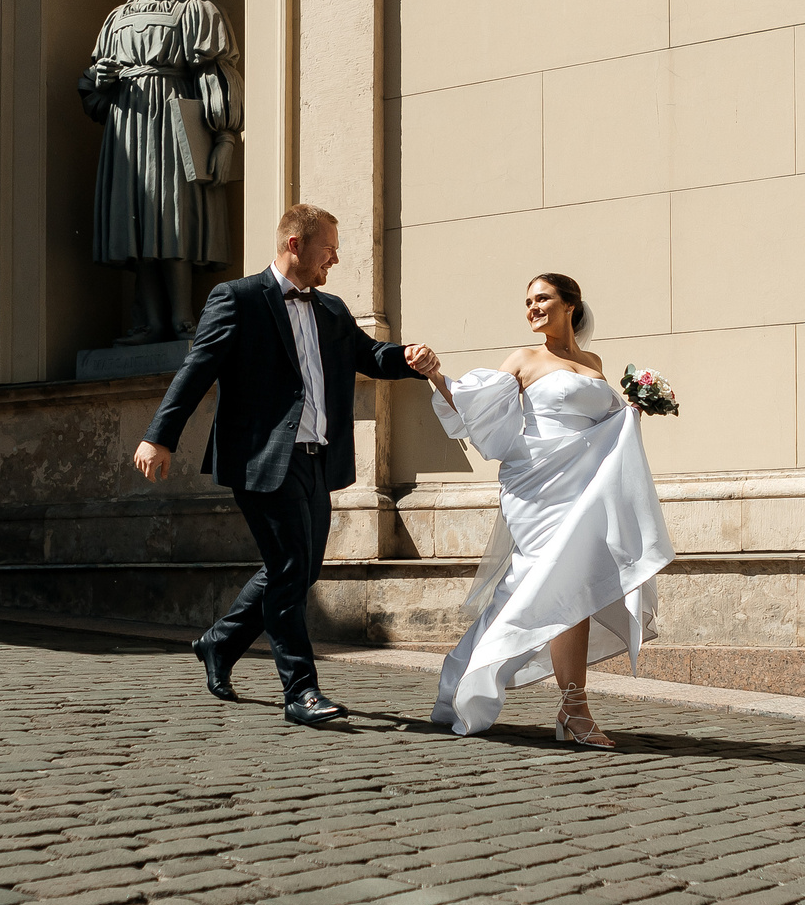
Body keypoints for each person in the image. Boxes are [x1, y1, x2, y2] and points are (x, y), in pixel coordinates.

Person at [133, 205, 437, 725]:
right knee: (293, 568)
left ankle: (219, 643)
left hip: (318, 458)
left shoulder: (332, 309)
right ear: (295, 245)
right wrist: (159, 437)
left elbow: (369, 356)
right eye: (329, 248)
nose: (335, 259)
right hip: (262, 458)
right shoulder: (238, 298)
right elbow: (197, 368)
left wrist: (408, 357)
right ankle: (301, 691)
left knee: (295, 569)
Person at [416, 275, 673, 747]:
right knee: (531, 587)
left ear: (570, 304)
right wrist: (435, 374)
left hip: (584, 490)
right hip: (536, 488)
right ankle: (464, 686)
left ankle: (573, 710)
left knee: (571, 588)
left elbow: (603, 428)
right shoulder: (524, 359)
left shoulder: (592, 362)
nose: (532, 308)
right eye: (528, 302)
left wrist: (634, 409)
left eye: (542, 299)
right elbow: (472, 407)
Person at [78, 0, 242, 342]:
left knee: (174, 217)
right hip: (127, 130)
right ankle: (148, 320)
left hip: (173, 127)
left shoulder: (197, 11)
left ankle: (183, 317)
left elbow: (216, 74)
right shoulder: (116, 19)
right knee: (136, 219)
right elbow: (91, 91)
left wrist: (225, 136)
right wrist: (100, 81)